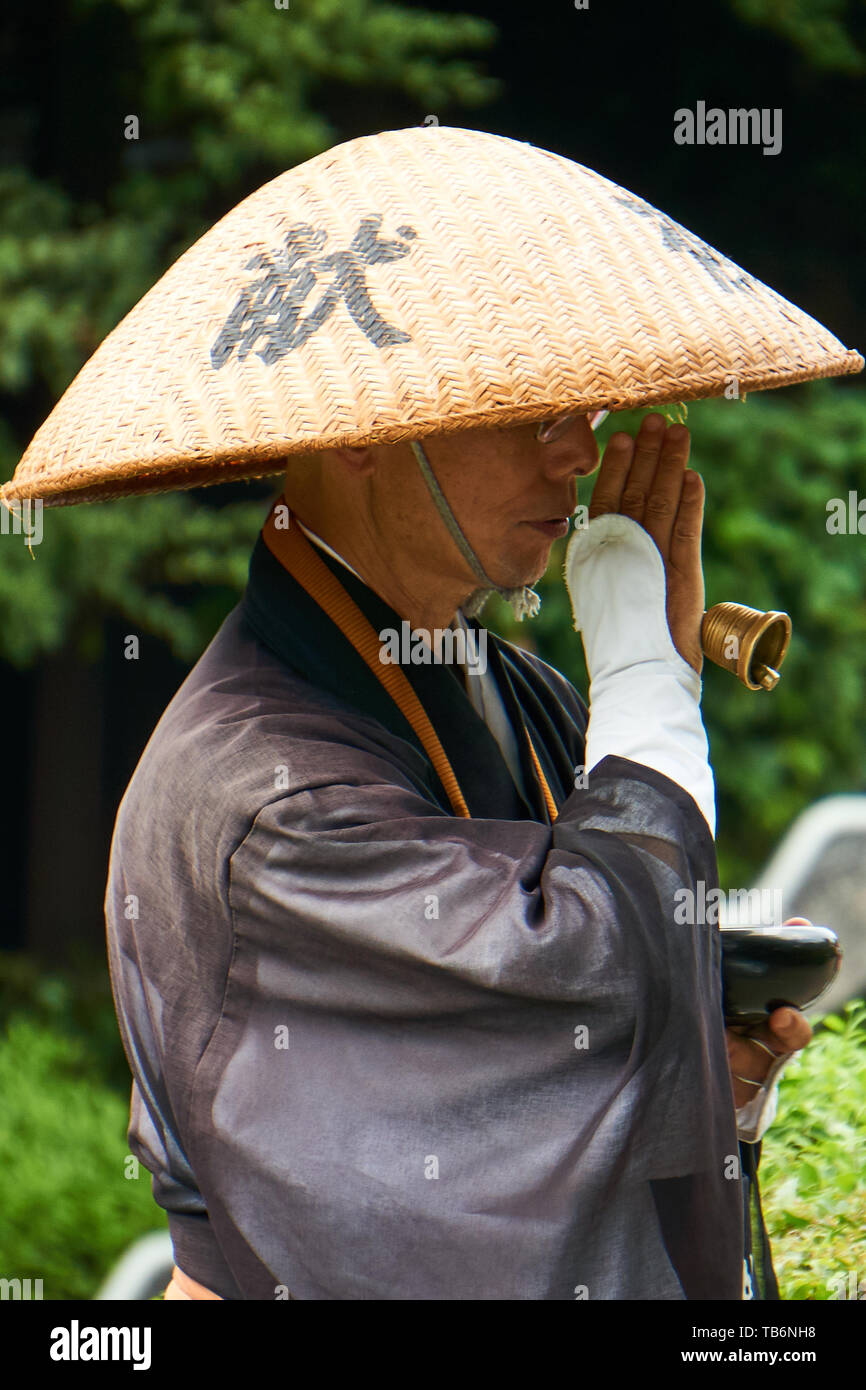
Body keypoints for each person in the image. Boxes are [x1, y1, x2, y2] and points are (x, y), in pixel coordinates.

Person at [105, 407, 811, 1301]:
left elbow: (534, 1067)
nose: (581, 455)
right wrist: (644, 682)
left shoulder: (519, 694)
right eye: (533, 415)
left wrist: (698, 1074)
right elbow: (589, 966)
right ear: (357, 425)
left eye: (584, 413)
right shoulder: (265, 795)